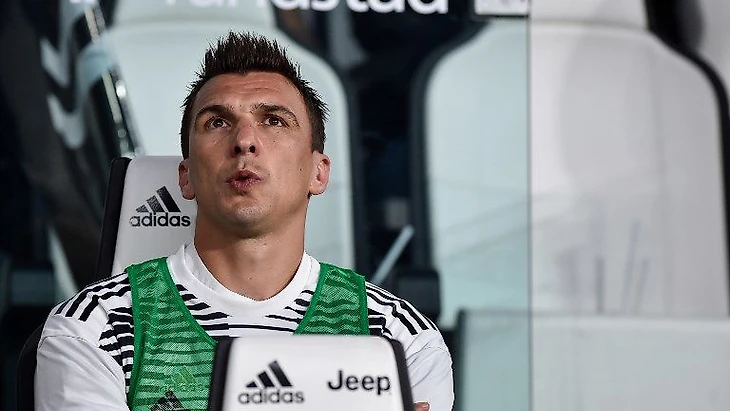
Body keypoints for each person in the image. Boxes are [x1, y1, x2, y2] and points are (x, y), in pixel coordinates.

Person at [35, 32, 453, 411]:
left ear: (318, 172)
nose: (244, 141)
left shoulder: (401, 338)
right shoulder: (92, 326)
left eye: (274, 120)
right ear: (186, 176)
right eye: (217, 122)